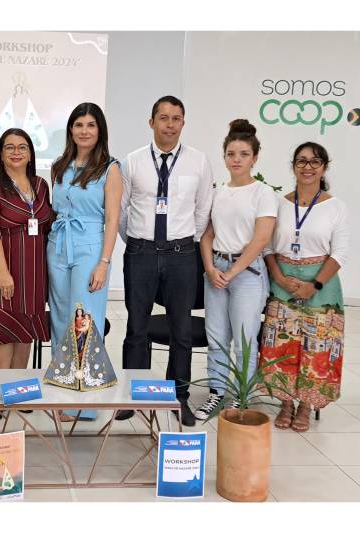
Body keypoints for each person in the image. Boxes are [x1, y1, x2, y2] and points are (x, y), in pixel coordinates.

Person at [117, 96, 213, 426]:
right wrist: (139, 241)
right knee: (136, 327)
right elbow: (122, 210)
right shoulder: (132, 161)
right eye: (163, 118)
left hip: (181, 255)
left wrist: (181, 241)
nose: (169, 124)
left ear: (183, 123)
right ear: (151, 122)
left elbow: (203, 210)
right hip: (140, 253)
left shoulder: (199, 161)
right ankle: (134, 395)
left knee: (181, 329)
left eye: (176, 118)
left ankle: (178, 397)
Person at [258, 142, 349, 432]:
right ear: (293, 166)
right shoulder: (279, 204)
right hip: (283, 283)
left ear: (324, 167)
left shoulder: (336, 207)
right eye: (301, 161)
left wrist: (314, 285)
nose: (307, 167)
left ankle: (306, 406)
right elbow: (267, 246)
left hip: (321, 288)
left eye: (315, 162)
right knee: (281, 344)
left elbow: (339, 253)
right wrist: (279, 278)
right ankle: (285, 403)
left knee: (315, 347)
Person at [193, 119, 277, 420]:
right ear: (224, 156)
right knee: (216, 338)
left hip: (248, 272)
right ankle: (216, 393)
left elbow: (262, 238)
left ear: (254, 157)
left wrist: (233, 271)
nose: (236, 160)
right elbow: (207, 234)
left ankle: (242, 397)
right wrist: (210, 268)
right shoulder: (218, 191)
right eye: (231, 154)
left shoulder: (262, 192)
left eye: (243, 154)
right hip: (216, 269)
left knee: (244, 340)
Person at [0, 128, 52, 388]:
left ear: (30, 154)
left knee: (24, 334)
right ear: (0, 154)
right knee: (2, 334)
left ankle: (16, 394)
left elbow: (46, 228)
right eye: (9, 147)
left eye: (22, 147)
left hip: (34, 274)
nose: (16, 152)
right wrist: (3, 273)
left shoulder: (41, 185)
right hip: (1, 272)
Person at [47, 103, 122, 357]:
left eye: (91, 125)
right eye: (78, 125)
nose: (84, 131)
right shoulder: (59, 166)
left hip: (90, 248)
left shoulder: (110, 168)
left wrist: (104, 262)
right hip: (58, 245)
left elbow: (112, 219)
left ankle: (84, 373)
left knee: (83, 314)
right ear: (70, 129)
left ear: (100, 130)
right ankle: (61, 371)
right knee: (59, 313)